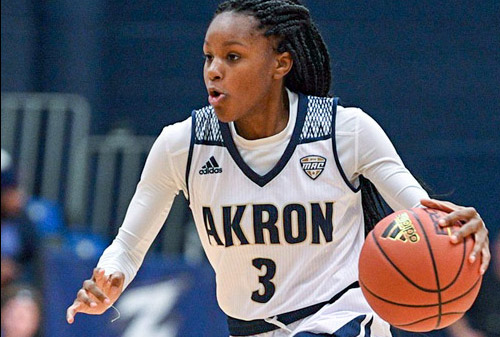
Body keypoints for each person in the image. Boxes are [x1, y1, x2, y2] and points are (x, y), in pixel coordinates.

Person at [66, 1, 490, 336]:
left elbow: (423, 213)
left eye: (233, 57)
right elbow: (128, 245)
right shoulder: (182, 145)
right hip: (249, 328)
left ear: (280, 64)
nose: (214, 70)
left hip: (341, 318)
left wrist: (462, 230)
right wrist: (109, 280)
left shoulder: (345, 132)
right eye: (208, 57)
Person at [1, 149, 40, 288]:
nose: (19, 198)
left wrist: (14, 271)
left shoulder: (22, 220)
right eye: (12, 193)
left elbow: (32, 263)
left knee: (22, 305)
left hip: (12, 289)